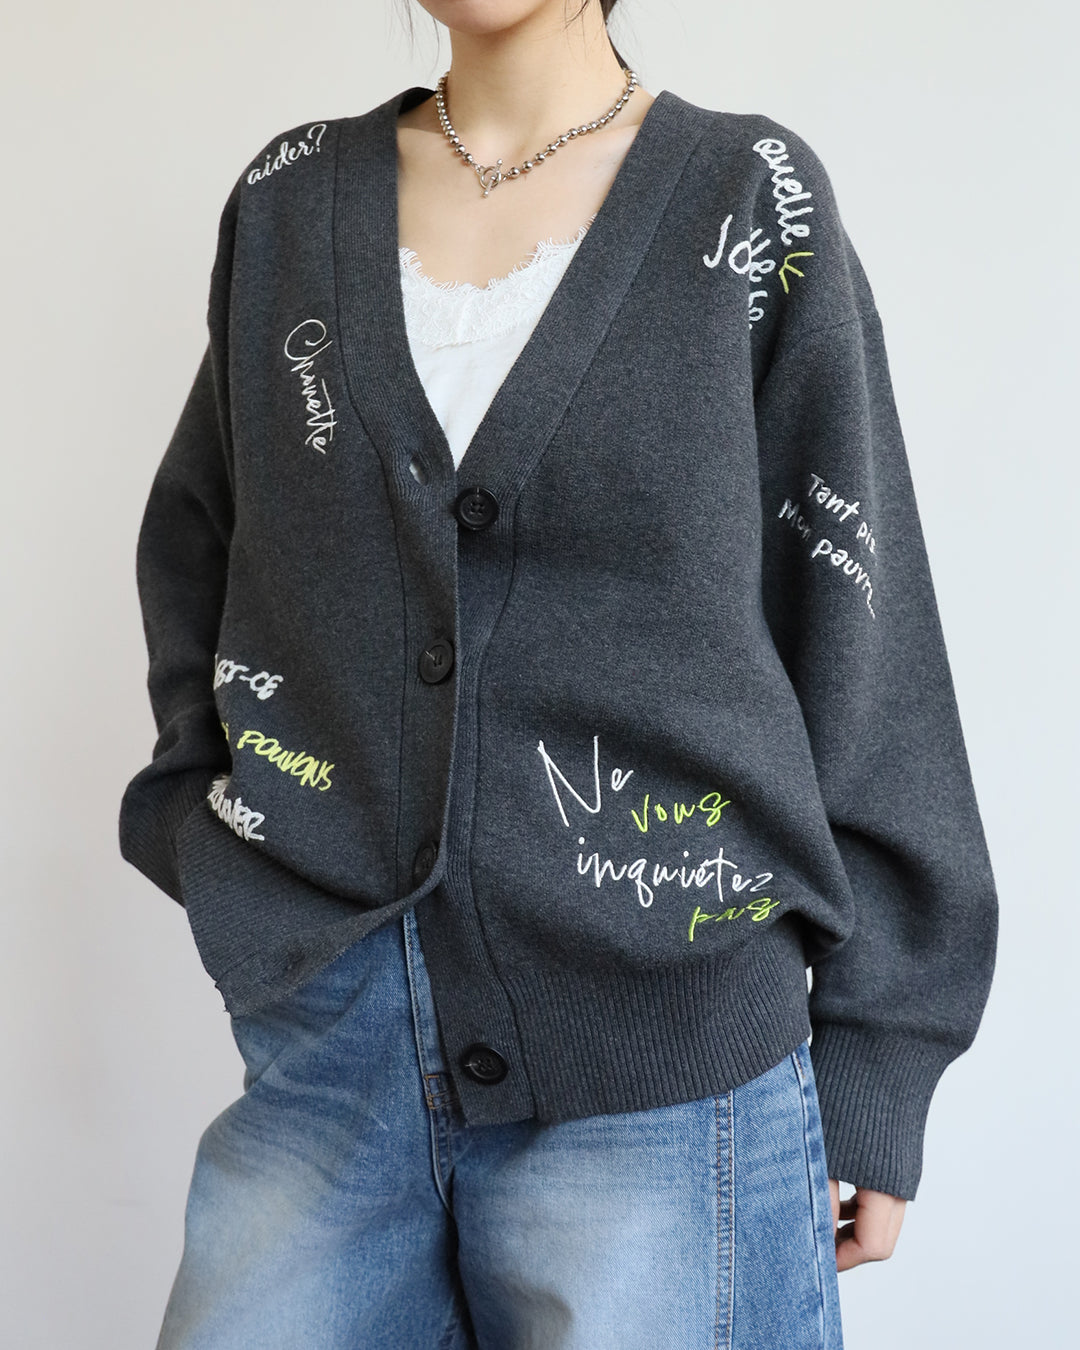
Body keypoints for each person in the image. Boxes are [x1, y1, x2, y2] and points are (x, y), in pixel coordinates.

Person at [118, 1, 999, 1345]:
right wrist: (217, 819)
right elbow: (203, 543)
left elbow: (861, 625)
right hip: (329, 1057)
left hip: (664, 1071)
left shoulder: (750, 198)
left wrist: (885, 1048)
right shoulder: (290, 201)